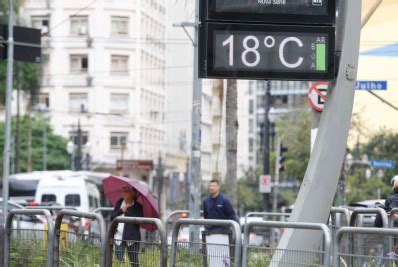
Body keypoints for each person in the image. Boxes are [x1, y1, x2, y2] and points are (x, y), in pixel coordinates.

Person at [202, 179, 239, 266]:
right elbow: (205, 215)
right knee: (211, 260)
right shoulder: (206, 201)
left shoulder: (225, 200)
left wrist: (238, 230)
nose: (211, 188)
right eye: (210, 186)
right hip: (210, 234)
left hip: (224, 234)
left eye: (213, 186)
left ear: (218, 187)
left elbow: (232, 215)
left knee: (224, 260)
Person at [110, 186, 143, 267]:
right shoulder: (119, 202)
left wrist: (128, 211)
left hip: (132, 237)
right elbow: (112, 217)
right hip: (119, 236)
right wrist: (121, 210)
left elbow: (139, 220)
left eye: (126, 191)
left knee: (134, 261)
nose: (123, 193)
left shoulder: (138, 206)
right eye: (123, 191)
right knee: (119, 259)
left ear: (132, 194)